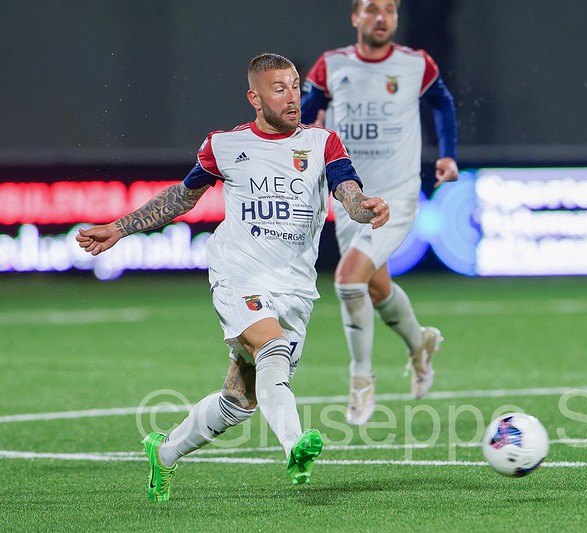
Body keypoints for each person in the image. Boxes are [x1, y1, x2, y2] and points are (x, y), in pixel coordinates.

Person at [76, 52, 389, 502]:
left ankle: (163, 454)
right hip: (238, 271)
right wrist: (120, 227)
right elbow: (182, 200)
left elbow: (348, 194)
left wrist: (366, 207)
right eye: (279, 88)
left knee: (240, 401)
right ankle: (294, 447)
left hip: (295, 286)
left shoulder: (323, 143)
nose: (292, 96)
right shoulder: (224, 145)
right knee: (272, 345)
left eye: (295, 86)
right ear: (254, 97)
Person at [301, 0, 459, 426]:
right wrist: (308, 129)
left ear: (396, 17)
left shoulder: (415, 65)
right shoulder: (330, 66)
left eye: (389, 9)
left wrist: (448, 155)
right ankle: (420, 342)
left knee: (348, 278)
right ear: (355, 17)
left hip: (397, 195)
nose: (380, 17)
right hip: (349, 194)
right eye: (371, 9)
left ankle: (360, 379)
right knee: (375, 288)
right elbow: (304, 114)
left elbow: (442, 103)